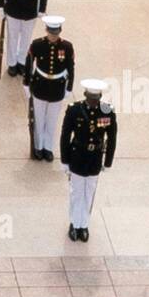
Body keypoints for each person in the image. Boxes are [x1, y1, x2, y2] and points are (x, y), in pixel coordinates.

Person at [60, 78, 117, 242]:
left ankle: (83, 225)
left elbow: (112, 138)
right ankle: (74, 224)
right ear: (85, 95)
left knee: (89, 194)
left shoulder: (107, 112)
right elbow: (65, 136)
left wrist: (108, 162)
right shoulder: (74, 110)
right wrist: (65, 160)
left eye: (96, 99)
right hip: (77, 157)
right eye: (91, 99)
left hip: (94, 159)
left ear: (99, 98)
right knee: (76, 193)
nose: (93, 102)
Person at [23, 15, 74, 161]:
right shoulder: (37, 44)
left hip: (57, 88)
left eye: (56, 33)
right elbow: (29, 63)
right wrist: (26, 83)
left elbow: (71, 67)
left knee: (51, 121)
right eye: (51, 33)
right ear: (46, 30)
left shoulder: (67, 47)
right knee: (39, 119)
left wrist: (69, 87)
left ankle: (48, 148)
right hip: (40, 86)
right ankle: (38, 147)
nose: (53, 36)